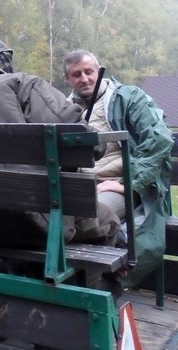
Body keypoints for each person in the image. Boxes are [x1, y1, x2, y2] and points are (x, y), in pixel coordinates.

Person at [0, 66, 120, 250]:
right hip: (24, 218)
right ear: (2, 71)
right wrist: (99, 143)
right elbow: (81, 140)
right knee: (108, 219)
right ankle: (86, 285)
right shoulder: (21, 83)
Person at [63, 49, 172, 287]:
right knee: (47, 217)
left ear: (99, 71)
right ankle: (67, 285)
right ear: (67, 79)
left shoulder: (128, 98)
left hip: (120, 186)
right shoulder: (63, 109)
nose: (84, 78)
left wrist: (127, 183)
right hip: (77, 187)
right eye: (76, 74)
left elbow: (160, 139)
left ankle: (98, 287)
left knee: (92, 215)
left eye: (89, 71)